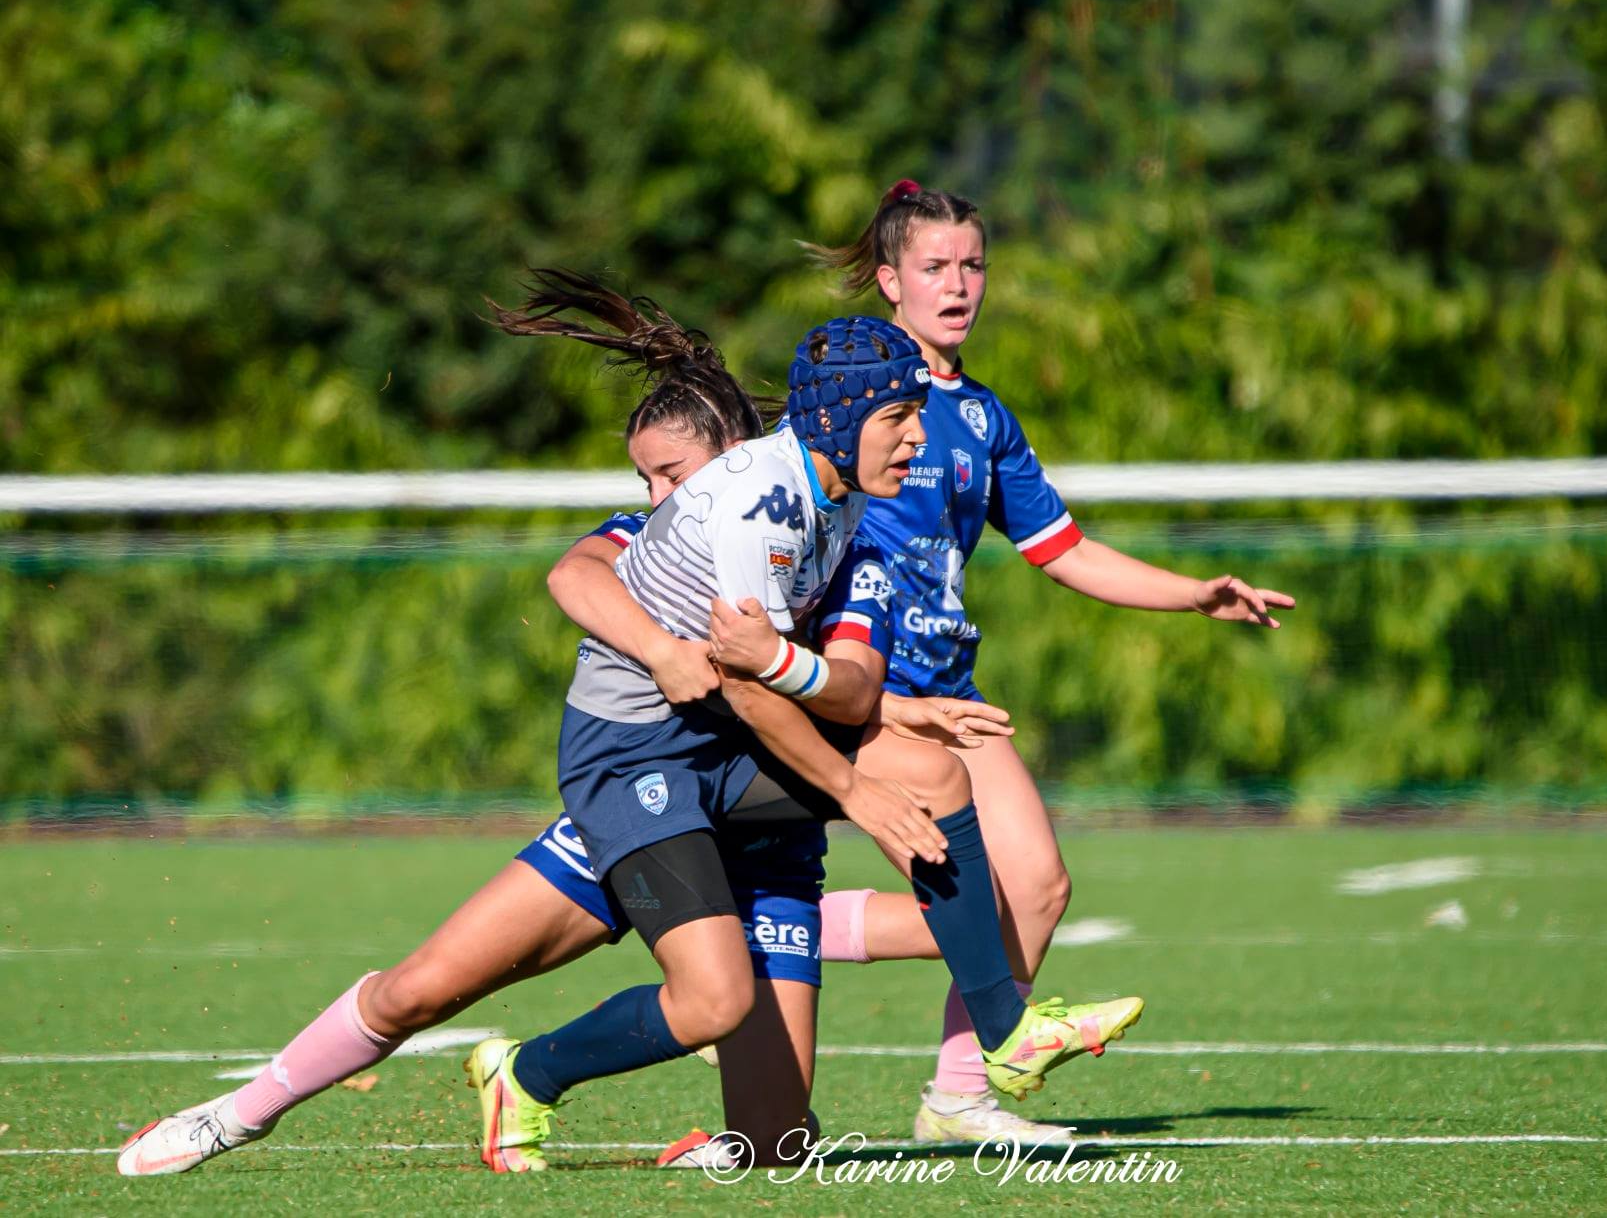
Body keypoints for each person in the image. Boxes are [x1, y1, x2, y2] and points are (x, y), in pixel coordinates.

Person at [114, 275, 1012, 1177]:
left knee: (776, 1141)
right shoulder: (689, 521)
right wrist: (664, 650)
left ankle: (985, 1023)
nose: (659, 495)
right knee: (426, 988)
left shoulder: (843, 526)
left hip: (752, 797)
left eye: (670, 475)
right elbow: (577, 578)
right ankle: (237, 1115)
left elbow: (836, 688)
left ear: (735, 454)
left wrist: (888, 712)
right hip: (649, 776)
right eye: (649, 480)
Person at [460, 288, 1143, 1172]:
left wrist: (870, 710)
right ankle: (525, 1073)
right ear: (840, 421)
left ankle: (1005, 1034)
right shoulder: (764, 505)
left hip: (719, 741)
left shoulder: (841, 500)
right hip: (640, 755)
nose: (917, 439)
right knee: (708, 1002)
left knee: (933, 776)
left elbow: (830, 690)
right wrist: (855, 790)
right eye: (899, 418)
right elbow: (747, 689)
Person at [795, 182, 1295, 1145]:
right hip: (863, 694)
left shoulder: (983, 418)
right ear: (890, 280)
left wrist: (1191, 594)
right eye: (934, 267)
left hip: (950, 692)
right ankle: (762, 939)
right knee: (967, 908)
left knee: (1037, 889)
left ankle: (957, 1100)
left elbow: (1062, 551)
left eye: (973, 265)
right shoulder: (853, 393)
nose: (957, 285)